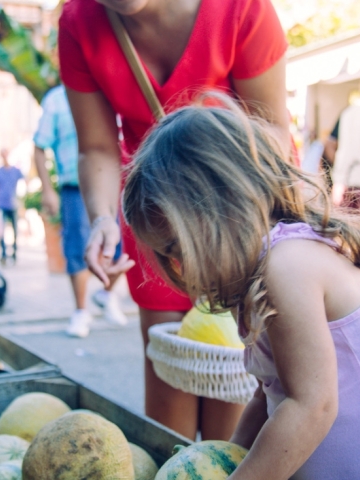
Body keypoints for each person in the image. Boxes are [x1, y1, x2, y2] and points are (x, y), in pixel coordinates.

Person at [59, 0, 290, 439]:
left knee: (234, 395)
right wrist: (102, 220)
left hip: (235, 222)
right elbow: (98, 148)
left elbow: (273, 130)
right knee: (168, 408)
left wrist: (221, 208)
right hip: (157, 232)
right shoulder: (78, 21)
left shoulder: (241, 8)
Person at [122, 93, 360, 479]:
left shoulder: (286, 266)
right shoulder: (260, 273)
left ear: (219, 210)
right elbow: (270, 393)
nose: (180, 268)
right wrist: (226, 459)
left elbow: (311, 406)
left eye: (176, 248)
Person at [34, 84, 130, 338]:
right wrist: (47, 189)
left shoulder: (111, 88)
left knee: (125, 249)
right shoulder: (55, 100)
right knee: (77, 248)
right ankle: (81, 311)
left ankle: (107, 295)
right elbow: (39, 145)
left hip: (115, 184)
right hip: (74, 186)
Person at [331, 91, 360, 208]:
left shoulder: (352, 114)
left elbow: (346, 153)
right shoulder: (352, 114)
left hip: (354, 185)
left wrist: (338, 181)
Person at [0, 148, 23, 264]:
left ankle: (14, 254)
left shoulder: (16, 171)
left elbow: (25, 181)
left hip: (13, 204)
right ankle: (4, 255)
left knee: (15, 231)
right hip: (1, 204)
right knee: (2, 231)